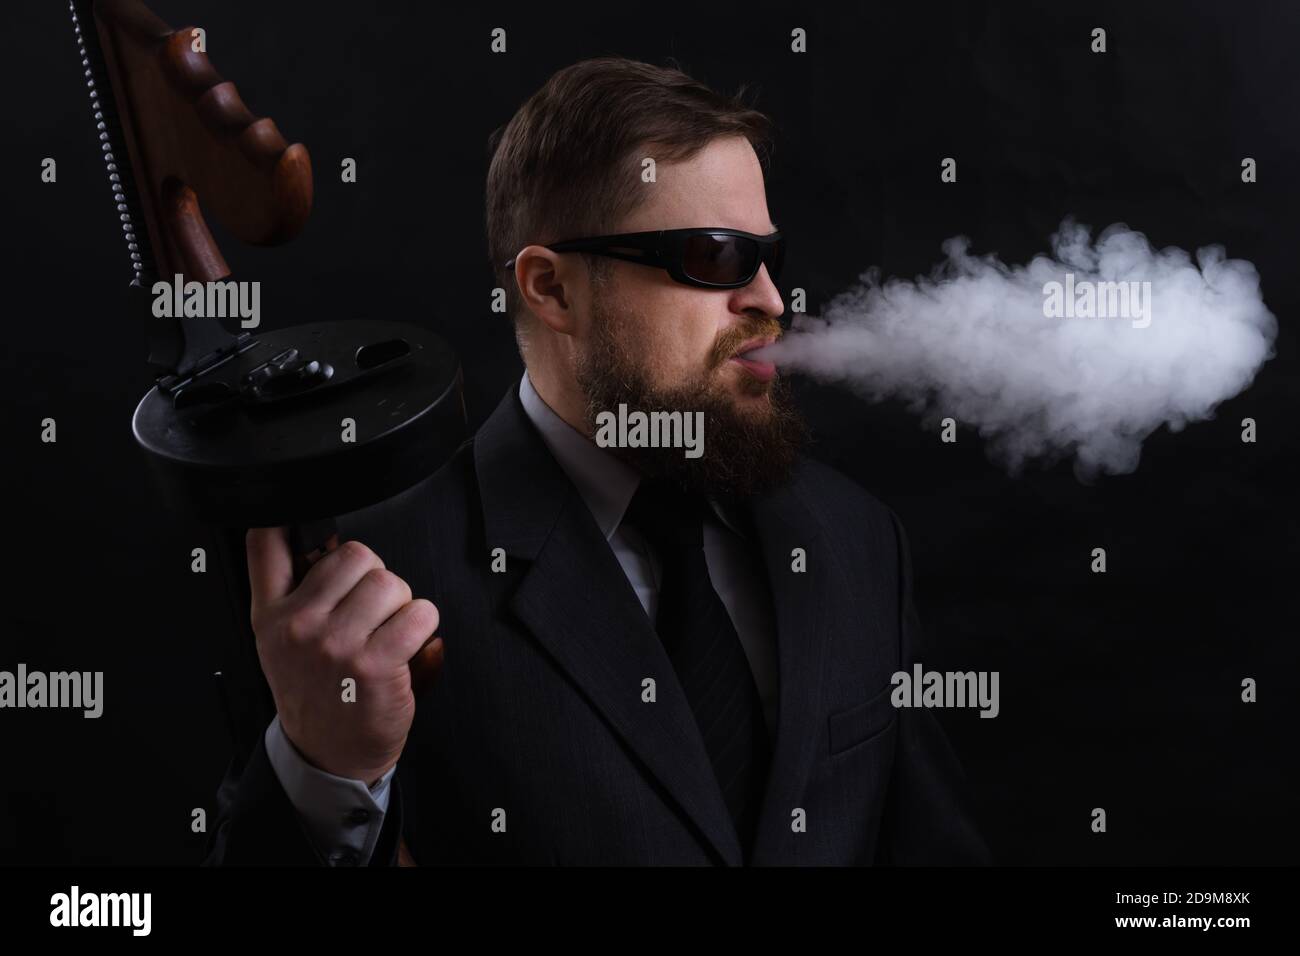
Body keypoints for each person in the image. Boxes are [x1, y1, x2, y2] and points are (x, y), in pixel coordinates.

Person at [203, 55, 992, 866]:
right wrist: (329, 767)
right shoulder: (374, 585)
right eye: (716, 256)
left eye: (767, 258)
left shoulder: (855, 540)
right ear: (552, 290)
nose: (768, 301)